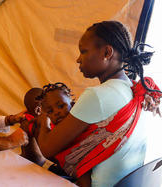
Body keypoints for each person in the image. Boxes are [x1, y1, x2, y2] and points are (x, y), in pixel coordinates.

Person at [34, 21, 162, 187]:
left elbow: (47, 149)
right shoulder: (139, 91)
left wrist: (43, 116)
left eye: (84, 51)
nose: (78, 59)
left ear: (107, 52)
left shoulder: (96, 95)